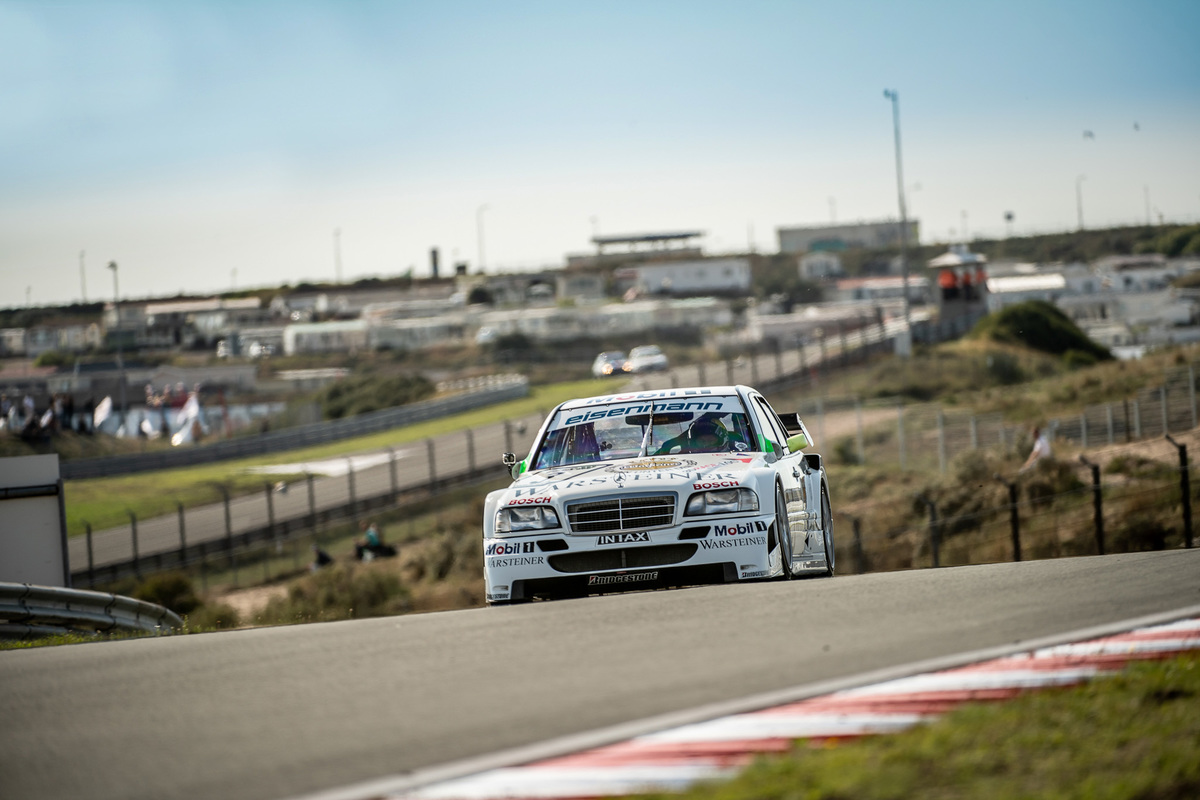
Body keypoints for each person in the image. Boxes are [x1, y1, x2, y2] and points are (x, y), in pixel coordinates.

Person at [656, 413, 732, 455]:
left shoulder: (739, 452)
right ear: (692, 442)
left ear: (722, 440)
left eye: (711, 441)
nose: (707, 445)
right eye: (702, 441)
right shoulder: (681, 457)